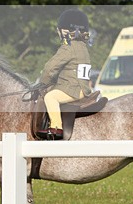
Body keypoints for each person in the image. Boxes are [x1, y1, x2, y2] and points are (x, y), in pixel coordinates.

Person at [37, 9, 92, 140]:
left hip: (73, 88)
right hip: (80, 86)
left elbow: (50, 68)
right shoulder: (82, 46)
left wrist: (43, 83)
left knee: (50, 97)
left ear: (65, 31)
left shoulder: (68, 47)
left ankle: (56, 128)